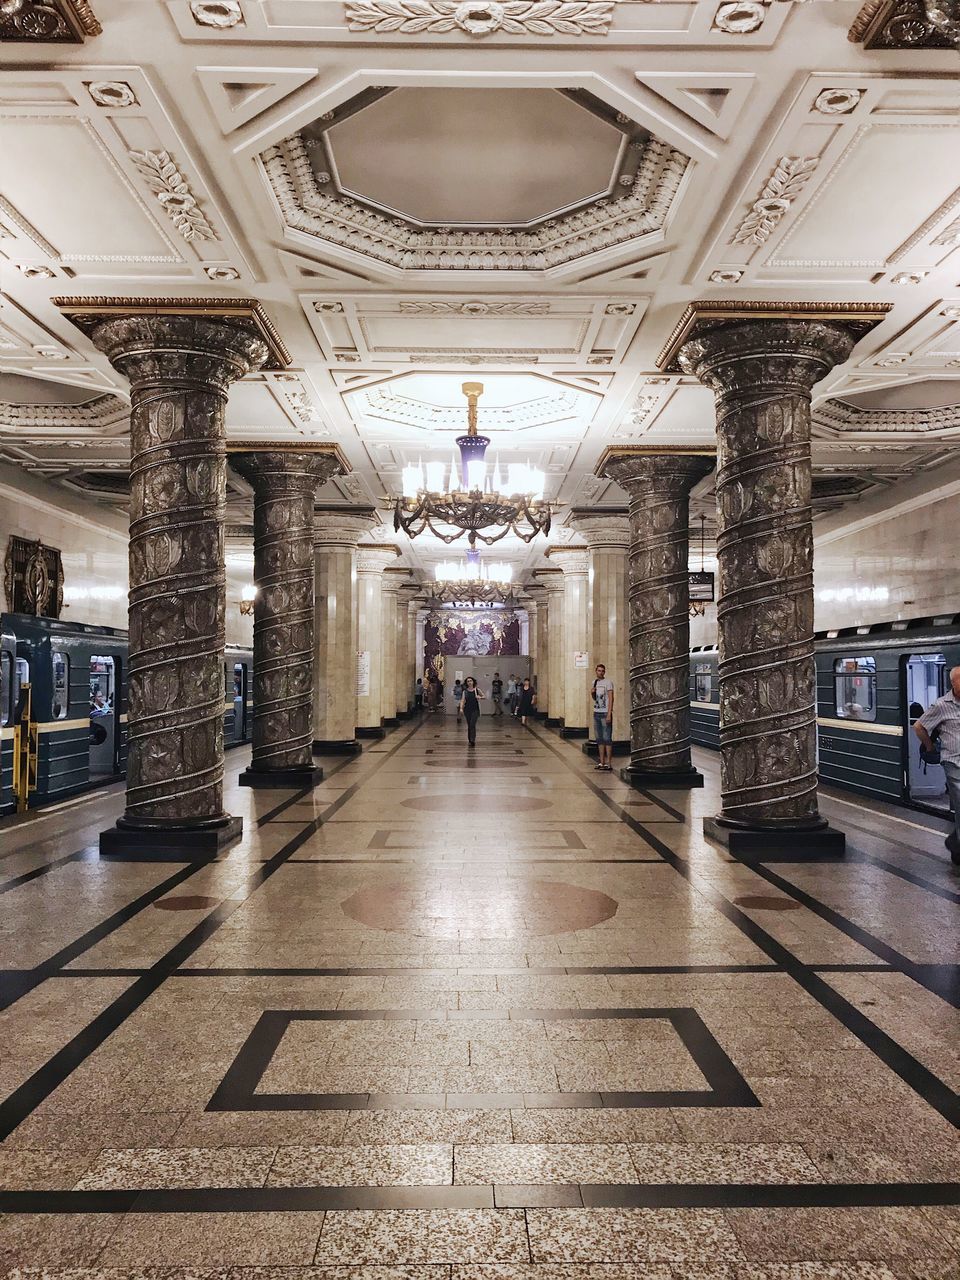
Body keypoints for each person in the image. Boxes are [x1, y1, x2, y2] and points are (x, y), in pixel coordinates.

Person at [914, 665, 960, 864]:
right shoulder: (941, 705)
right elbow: (919, 726)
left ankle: (955, 843)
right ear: (953, 682)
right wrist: (930, 746)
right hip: (954, 762)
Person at [591, 662, 615, 772]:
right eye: (599, 670)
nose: (600, 672)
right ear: (596, 671)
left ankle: (609, 763)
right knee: (599, 738)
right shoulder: (594, 682)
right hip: (596, 712)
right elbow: (595, 699)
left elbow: (611, 698)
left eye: (602, 671)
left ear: (604, 672)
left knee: (607, 738)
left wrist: (609, 713)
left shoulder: (608, 683)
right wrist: (592, 693)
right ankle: (601, 762)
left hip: (605, 712)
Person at [459, 675, 485, 747]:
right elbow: (462, 700)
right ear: (466, 683)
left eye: (470, 681)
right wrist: (461, 708)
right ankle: (470, 740)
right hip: (467, 710)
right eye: (468, 681)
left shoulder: (477, 690)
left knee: (472, 724)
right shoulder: (465, 692)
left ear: (473, 682)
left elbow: (484, 696)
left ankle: (473, 740)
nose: (469, 682)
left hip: (475, 710)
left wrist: (480, 697)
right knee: (469, 725)